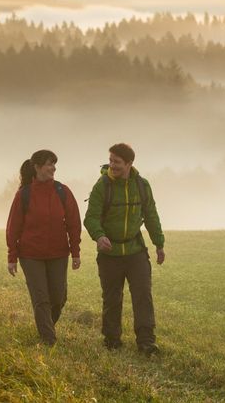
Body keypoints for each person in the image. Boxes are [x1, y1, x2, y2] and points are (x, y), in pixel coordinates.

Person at [84, 143, 165, 355]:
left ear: (129, 163)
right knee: (112, 297)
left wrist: (159, 244)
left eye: (117, 162)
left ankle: (146, 341)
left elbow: (151, 215)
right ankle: (112, 339)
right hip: (109, 254)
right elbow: (90, 217)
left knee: (143, 296)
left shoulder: (142, 185)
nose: (112, 165)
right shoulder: (102, 186)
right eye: (110, 160)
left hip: (136, 251)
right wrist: (99, 236)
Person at [5, 149, 82, 346]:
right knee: (41, 298)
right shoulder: (24, 194)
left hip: (58, 253)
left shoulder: (62, 191)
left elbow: (74, 223)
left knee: (58, 298)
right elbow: (13, 227)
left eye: (54, 164)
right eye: (49, 164)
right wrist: (12, 256)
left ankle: (46, 325)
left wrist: (75, 252)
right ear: (37, 167)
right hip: (30, 255)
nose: (53, 168)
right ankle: (48, 339)